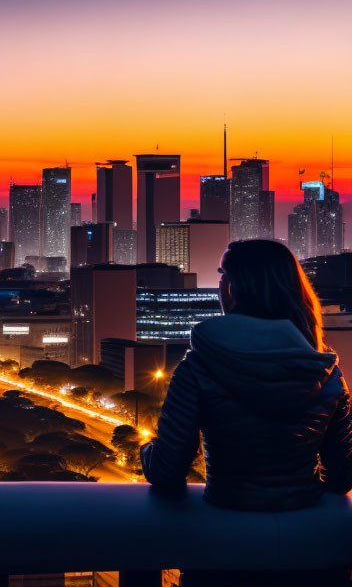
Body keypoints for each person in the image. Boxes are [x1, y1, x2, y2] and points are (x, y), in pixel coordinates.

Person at [141, 239, 352, 586]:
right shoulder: (325, 370)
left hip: (223, 552)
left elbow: (167, 470)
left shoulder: (199, 366)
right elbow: (342, 476)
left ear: (235, 288)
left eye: (223, 276)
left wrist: (146, 449)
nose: (220, 286)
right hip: (311, 555)